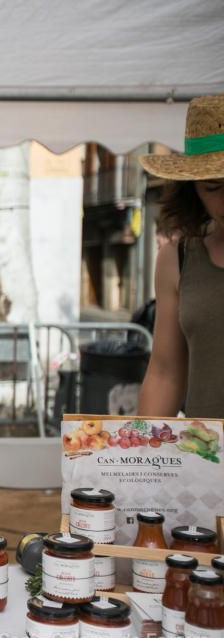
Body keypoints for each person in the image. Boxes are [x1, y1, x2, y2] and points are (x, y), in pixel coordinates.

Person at [137, 94, 224, 419]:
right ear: (193, 188)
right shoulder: (177, 258)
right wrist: (142, 460)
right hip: (208, 462)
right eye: (213, 187)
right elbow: (165, 373)